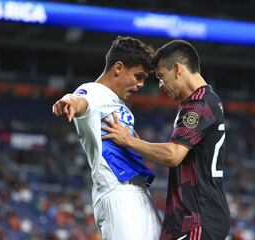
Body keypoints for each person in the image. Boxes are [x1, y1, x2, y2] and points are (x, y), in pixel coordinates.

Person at [102, 40, 230, 240]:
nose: (161, 85)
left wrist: (129, 141)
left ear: (178, 69)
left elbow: (173, 155)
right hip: (193, 218)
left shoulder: (199, 104)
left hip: (197, 219)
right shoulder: (205, 100)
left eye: (161, 76)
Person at [52, 36, 161, 240]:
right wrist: (68, 101)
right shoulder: (94, 92)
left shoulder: (118, 103)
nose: (141, 84)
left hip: (140, 192)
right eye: (138, 76)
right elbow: (80, 100)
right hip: (118, 193)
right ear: (118, 68)